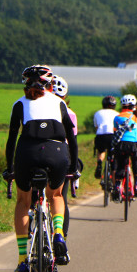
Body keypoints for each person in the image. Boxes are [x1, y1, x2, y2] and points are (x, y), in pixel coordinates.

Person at [3, 64, 78, 272]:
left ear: (25, 83)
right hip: (57, 152)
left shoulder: (19, 104)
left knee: (23, 203)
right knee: (55, 195)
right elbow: (71, 139)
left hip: (27, 153)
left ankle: (22, 260)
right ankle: (57, 234)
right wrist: (72, 168)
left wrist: (10, 169)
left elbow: (11, 141)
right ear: (49, 83)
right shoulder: (59, 103)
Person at [51, 74, 80, 246]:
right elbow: (73, 141)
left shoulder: (38, 107)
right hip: (63, 157)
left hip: (37, 154)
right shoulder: (70, 113)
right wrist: (74, 167)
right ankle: (62, 237)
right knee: (61, 197)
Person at [112, 94, 137, 200]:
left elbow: (115, 133)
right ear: (135, 105)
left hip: (122, 145)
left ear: (122, 106)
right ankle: (136, 184)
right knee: (135, 160)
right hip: (135, 144)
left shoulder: (117, 117)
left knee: (121, 164)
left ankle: (117, 186)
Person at [93, 95, 118, 181]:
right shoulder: (117, 114)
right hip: (112, 135)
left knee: (101, 151)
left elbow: (96, 127)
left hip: (100, 135)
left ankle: (99, 162)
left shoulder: (97, 113)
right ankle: (113, 171)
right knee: (113, 156)